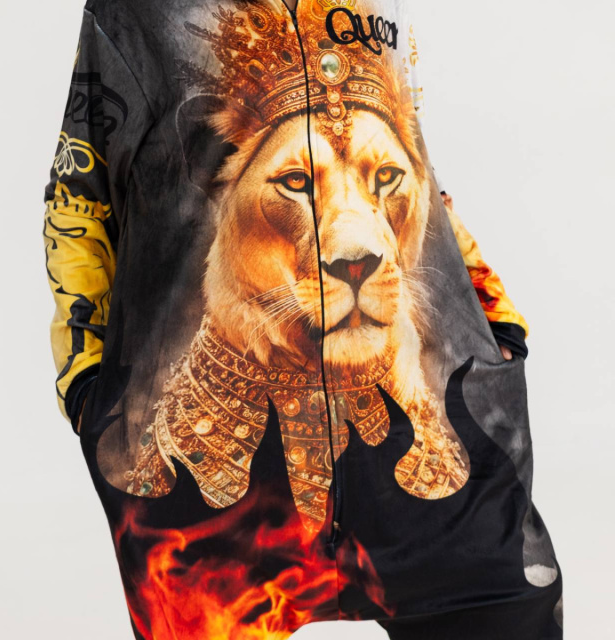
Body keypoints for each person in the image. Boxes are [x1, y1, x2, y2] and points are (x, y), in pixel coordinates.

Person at [42, 0, 563, 638]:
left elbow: (418, 168)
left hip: (424, 429)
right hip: (209, 484)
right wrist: (85, 383)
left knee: (511, 608)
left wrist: (495, 319)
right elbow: (80, 195)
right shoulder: (138, 10)